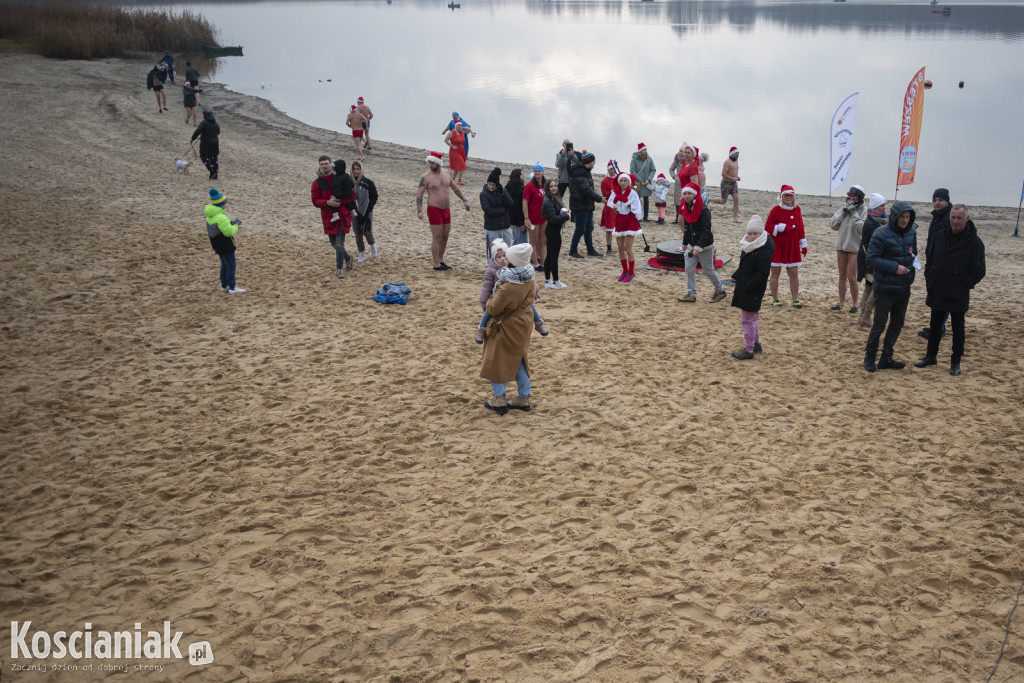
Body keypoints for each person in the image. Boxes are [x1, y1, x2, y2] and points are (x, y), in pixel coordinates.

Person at [914, 204, 986, 376]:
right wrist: (930, 278)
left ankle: (955, 362)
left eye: (959, 218)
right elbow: (930, 257)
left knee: (958, 328)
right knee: (935, 325)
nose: (955, 221)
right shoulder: (941, 235)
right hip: (938, 287)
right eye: (953, 217)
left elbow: (979, 271)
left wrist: (964, 284)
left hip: (958, 292)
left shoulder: (975, 242)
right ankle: (931, 356)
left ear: (966, 219)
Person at [480, 243, 537, 414]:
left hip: (506, 325)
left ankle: (499, 398)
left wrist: (489, 299)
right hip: (524, 321)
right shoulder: (529, 277)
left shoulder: (508, 286)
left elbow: (493, 309)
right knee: (519, 357)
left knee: (493, 359)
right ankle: (523, 397)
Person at [863, 200, 919, 372]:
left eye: (907, 217)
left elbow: (912, 254)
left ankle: (887, 357)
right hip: (884, 288)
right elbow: (871, 259)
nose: (904, 220)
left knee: (897, 323)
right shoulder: (880, 233)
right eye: (902, 217)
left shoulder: (911, 233)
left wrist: (911, 272)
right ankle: (870, 355)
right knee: (879, 324)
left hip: (903, 288)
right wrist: (894, 268)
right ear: (894, 217)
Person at [476, 238, 548, 343]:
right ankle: (481, 328)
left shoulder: (518, 274)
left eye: (505, 256)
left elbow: (531, 284)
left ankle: (538, 323)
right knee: (488, 313)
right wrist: (483, 301)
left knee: (530, 305)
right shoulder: (493, 270)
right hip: (499, 299)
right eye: (499, 257)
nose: (503, 259)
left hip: (508, 308)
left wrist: (535, 292)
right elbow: (486, 286)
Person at [416, 151, 471, 271]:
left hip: (446, 209)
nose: (430, 165)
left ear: (438, 163)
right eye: (429, 162)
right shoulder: (426, 176)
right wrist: (419, 211)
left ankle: (441, 260)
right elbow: (419, 194)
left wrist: (464, 200)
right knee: (437, 237)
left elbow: (455, 187)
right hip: (434, 208)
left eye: (432, 163)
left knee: (445, 236)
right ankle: (436, 264)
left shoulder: (446, 173)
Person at [730, 215, 774, 359]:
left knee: (747, 320)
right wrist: (735, 277)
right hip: (746, 287)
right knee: (752, 318)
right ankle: (755, 344)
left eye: (755, 234)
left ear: (761, 234)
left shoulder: (764, 249)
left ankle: (749, 350)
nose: (752, 236)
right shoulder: (748, 246)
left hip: (753, 289)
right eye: (750, 233)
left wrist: (749, 285)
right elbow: (743, 267)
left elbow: (763, 273)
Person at [677, 183, 726, 303]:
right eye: (685, 193)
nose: (687, 196)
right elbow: (687, 228)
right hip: (692, 245)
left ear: (695, 195)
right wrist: (684, 245)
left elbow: (706, 230)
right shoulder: (687, 209)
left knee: (708, 270)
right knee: (689, 268)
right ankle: (692, 294)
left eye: (689, 193)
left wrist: (698, 248)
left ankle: (720, 291)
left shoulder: (704, 210)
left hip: (706, 246)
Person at [918, 188, 953, 340]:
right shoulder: (936, 217)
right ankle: (938, 327)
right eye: (935, 200)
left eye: (940, 200)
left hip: (945, 266)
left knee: (943, 299)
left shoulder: (950, 218)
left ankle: (938, 328)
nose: (937, 202)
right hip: (933, 263)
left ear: (947, 201)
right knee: (936, 298)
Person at [764, 185, 806, 308]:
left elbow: (801, 227)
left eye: (790, 195)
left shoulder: (797, 209)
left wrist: (803, 244)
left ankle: (795, 299)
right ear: (781, 196)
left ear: (794, 196)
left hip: (793, 245)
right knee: (775, 272)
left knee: (793, 273)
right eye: (786, 195)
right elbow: (767, 228)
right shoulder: (775, 210)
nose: (788, 197)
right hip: (778, 245)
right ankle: (775, 299)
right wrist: (780, 228)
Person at [311, 156, 351, 278]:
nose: (324, 166)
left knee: (339, 244)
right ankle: (348, 258)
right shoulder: (317, 183)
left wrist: (340, 200)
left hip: (341, 215)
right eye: (322, 164)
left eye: (326, 163)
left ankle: (339, 269)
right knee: (334, 244)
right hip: (328, 217)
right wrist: (328, 203)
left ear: (330, 164)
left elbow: (352, 195)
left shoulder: (341, 177)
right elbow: (315, 201)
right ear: (319, 165)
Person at [829, 184, 867, 312]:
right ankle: (841, 303)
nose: (851, 198)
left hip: (854, 248)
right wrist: (844, 213)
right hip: (841, 247)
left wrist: (854, 214)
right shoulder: (843, 209)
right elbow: (833, 225)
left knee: (852, 277)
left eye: (854, 196)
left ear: (860, 197)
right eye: (850, 195)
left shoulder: (864, 211)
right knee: (842, 276)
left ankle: (855, 304)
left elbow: (863, 229)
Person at [856, 193, 888, 327]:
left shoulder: (878, 220)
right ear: (875, 207)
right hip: (869, 259)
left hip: (867, 258)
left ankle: (863, 316)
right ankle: (866, 315)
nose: (884, 208)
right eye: (881, 205)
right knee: (876, 287)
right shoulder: (872, 223)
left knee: (869, 287)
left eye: (884, 205)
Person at [205, 188, 244, 294]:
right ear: (220, 204)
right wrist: (235, 226)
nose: (226, 203)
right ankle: (232, 287)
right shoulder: (221, 218)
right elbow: (229, 233)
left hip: (217, 245)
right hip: (226, 246)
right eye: (225, 201)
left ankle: (224, 285)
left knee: (224, 265)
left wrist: (229, 225)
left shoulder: (210, 216)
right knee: (231, 266)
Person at [567, 150, 605, 258]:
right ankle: (572, 251)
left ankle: (590, 250)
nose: (595, 163)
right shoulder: (579, 173)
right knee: (580, 229)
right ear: (590, 161)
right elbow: (586, 189)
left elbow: (588, 190)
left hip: (587, 205)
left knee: (589, 227)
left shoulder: (585, 171)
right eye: (594, 161)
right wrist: (599, 199)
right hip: (580, 205)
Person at [609, 172, 643, 282]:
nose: (623, 183)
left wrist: (629, 205)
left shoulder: (633, 193)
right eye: (621, 181)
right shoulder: (615, 193)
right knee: (620, 248)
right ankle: (624, 270)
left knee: (628, 248)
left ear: (629, 182)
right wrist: (615, 207)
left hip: (630, 221)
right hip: (620, 221)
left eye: (625, 181)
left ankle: (631, 272)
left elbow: (637, 208)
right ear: (619, 182)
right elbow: (613, 208)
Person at [541, 178, 572, 289]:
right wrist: (566, 216)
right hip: (552, 230)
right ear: (547, 188)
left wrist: (564, 212)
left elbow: (551, 215)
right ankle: (555, 281)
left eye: (555, 186)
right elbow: (553, 218)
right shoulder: (549, 200)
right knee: (553, 256)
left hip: (553, 229)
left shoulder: (554, 198)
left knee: (550, 255)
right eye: (551, 186)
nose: (554, 188)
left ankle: (548, 280)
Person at [480, 167, 514, 261]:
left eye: (493, 184)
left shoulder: (502, 191)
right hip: (492, 228)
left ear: (497, 184)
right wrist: (503, 210)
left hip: (505, 226)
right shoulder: (484, 194)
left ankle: (505, 268)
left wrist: (503, 193)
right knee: (492, 250)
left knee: (506, 249)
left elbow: (510, 204)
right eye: (489, 184)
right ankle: (492, 269)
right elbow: (488, 210)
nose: (490, 187)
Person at [350, 160, 379, 262]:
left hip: (367, 211)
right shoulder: (349, 182)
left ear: (361, 170)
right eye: (354, 169)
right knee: (357, 234)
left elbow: (374, 196)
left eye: (358, 169)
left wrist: (368, 209)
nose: (356, 171)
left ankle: (372, 245)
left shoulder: (368, 182)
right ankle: (362, 253)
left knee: (367, 232)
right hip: (354, 211)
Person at [522, 163, 547, 268]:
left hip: (544, 217)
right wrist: (526, 218)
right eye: (535, 171)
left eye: (539, 171)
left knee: (543, 240)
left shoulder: (546, 184)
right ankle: (535, 263)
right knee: (533, 241)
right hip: (533, 217)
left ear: (542, 172)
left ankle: (543, 263)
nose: (537, 172)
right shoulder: (530, 185)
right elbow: (525, 202)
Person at [709, 147, 741, 224]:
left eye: (738, 153)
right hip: (725, 184)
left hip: (733, 184)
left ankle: (735, 218)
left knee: (736, 200)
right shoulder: (727, 162)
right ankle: (710, 199)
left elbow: (734, 171)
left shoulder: (736, 161)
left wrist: (737, 177)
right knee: (723, 201)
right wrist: (732, 178)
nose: (737, 155)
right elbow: (723, 174)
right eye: (736, 153)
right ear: (732, 153)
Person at [629, 143, 657, 223]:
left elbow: (653, 170)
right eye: (643, 150)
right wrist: (641, 180)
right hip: (638, 183)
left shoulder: (649, 159)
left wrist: (649, 179)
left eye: (646, 150)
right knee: (636, 199)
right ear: (640, 151)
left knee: (646, 199)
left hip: (647, 183)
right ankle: (638, 216)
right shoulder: (634, 159)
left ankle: (646, 217)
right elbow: (632, 171)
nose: (645, 151)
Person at [191, 108, 220, 180]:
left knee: (203, 156)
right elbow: (218, 132)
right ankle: (215, 174)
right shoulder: (216, 123)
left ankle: (212, 171)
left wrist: (193, 138)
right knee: (214, 158)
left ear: (204, 115)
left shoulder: (204, 122)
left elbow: (198, 130)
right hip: (215, 142)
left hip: (206, 143)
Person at [598, 160, 620, 254]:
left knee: (620, 229)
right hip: (609, 207)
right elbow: (605, 195)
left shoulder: (620, 179)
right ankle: (609, 247)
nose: (612, 171)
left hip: (619, 205)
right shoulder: (604, 181)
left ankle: (621, 247)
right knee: (609, 229)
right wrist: (612, 191)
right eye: (610, 169)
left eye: (613, 169)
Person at [505, 169, 527, 245]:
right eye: (521, 174)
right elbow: (518, 206)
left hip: (510, 217)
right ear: (517, 176)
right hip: (517, 219)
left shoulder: (509, 185)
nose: (523, 176)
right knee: (520, 242)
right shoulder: (518, 189)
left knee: (517, 239)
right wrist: (522, 222)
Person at [444, 121, 468, 185]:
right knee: (462, 165)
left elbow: (468, 129)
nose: (460, 127)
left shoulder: (461, 132)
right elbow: (446, 140)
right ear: (455, 126)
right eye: (459, 125)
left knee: (457, 167)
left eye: (461, 125)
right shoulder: (451, 132)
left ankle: (452, 179)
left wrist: (470, 131)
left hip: (461, 151)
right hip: (454, 151)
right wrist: (452, 146)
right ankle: (459, 180)